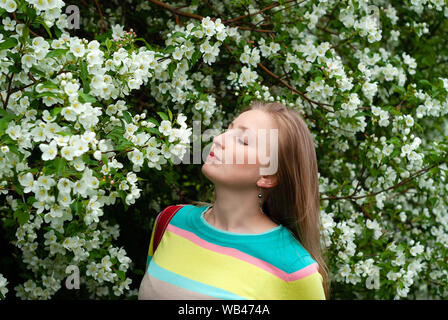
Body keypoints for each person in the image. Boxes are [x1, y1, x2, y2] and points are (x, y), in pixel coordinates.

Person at [138, 101, 330, 300]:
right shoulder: (171, 221)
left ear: (268, 175)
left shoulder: (293, 269)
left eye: (243, 141)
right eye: (228, 130)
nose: (219, 139)